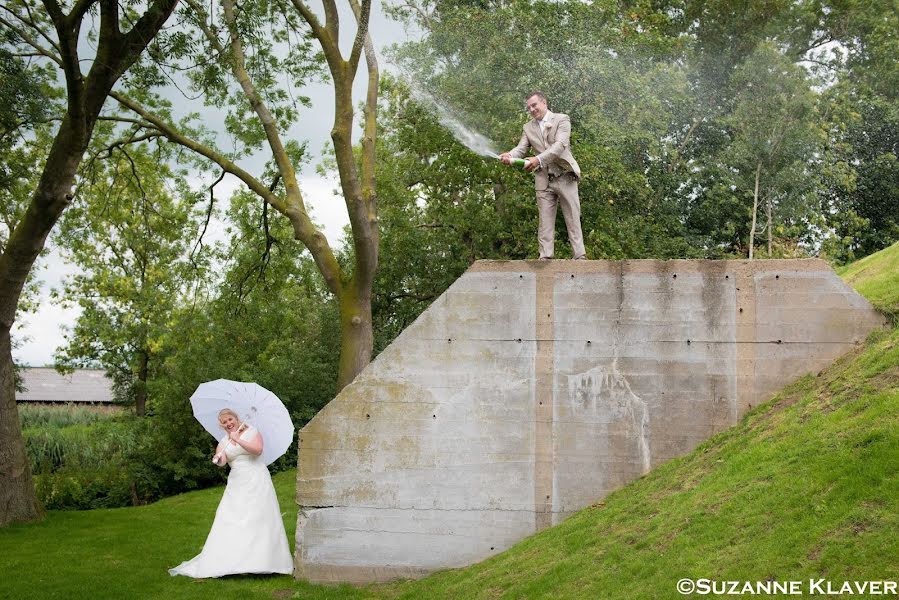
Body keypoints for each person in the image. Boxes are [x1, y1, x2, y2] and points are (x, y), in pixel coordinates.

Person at [168, 408, 293, 578]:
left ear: (236, 418)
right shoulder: (223, 441)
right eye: (224, 422)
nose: (228, 424)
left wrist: (238, 440)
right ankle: (233, 561)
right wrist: (218, 458)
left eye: (230, 419)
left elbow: (258, 450)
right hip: (237, 481)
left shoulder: (252, 431)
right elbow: (223, 461)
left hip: (256, 478)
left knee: (258, 516)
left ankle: (263, 562)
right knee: (234, 517)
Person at [500, 91, 586, 260]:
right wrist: (510, 155)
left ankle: (579, 256)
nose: (531, 110)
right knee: (544, 221)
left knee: (572, 217)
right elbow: (521, 148)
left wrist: (538, 159)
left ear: (544, 103)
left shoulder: (562, 119)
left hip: (565, 176)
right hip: (543, 179)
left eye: (534, 105)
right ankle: (545, 257)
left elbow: (560, 146)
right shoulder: (527, 127)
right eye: (529, 108)